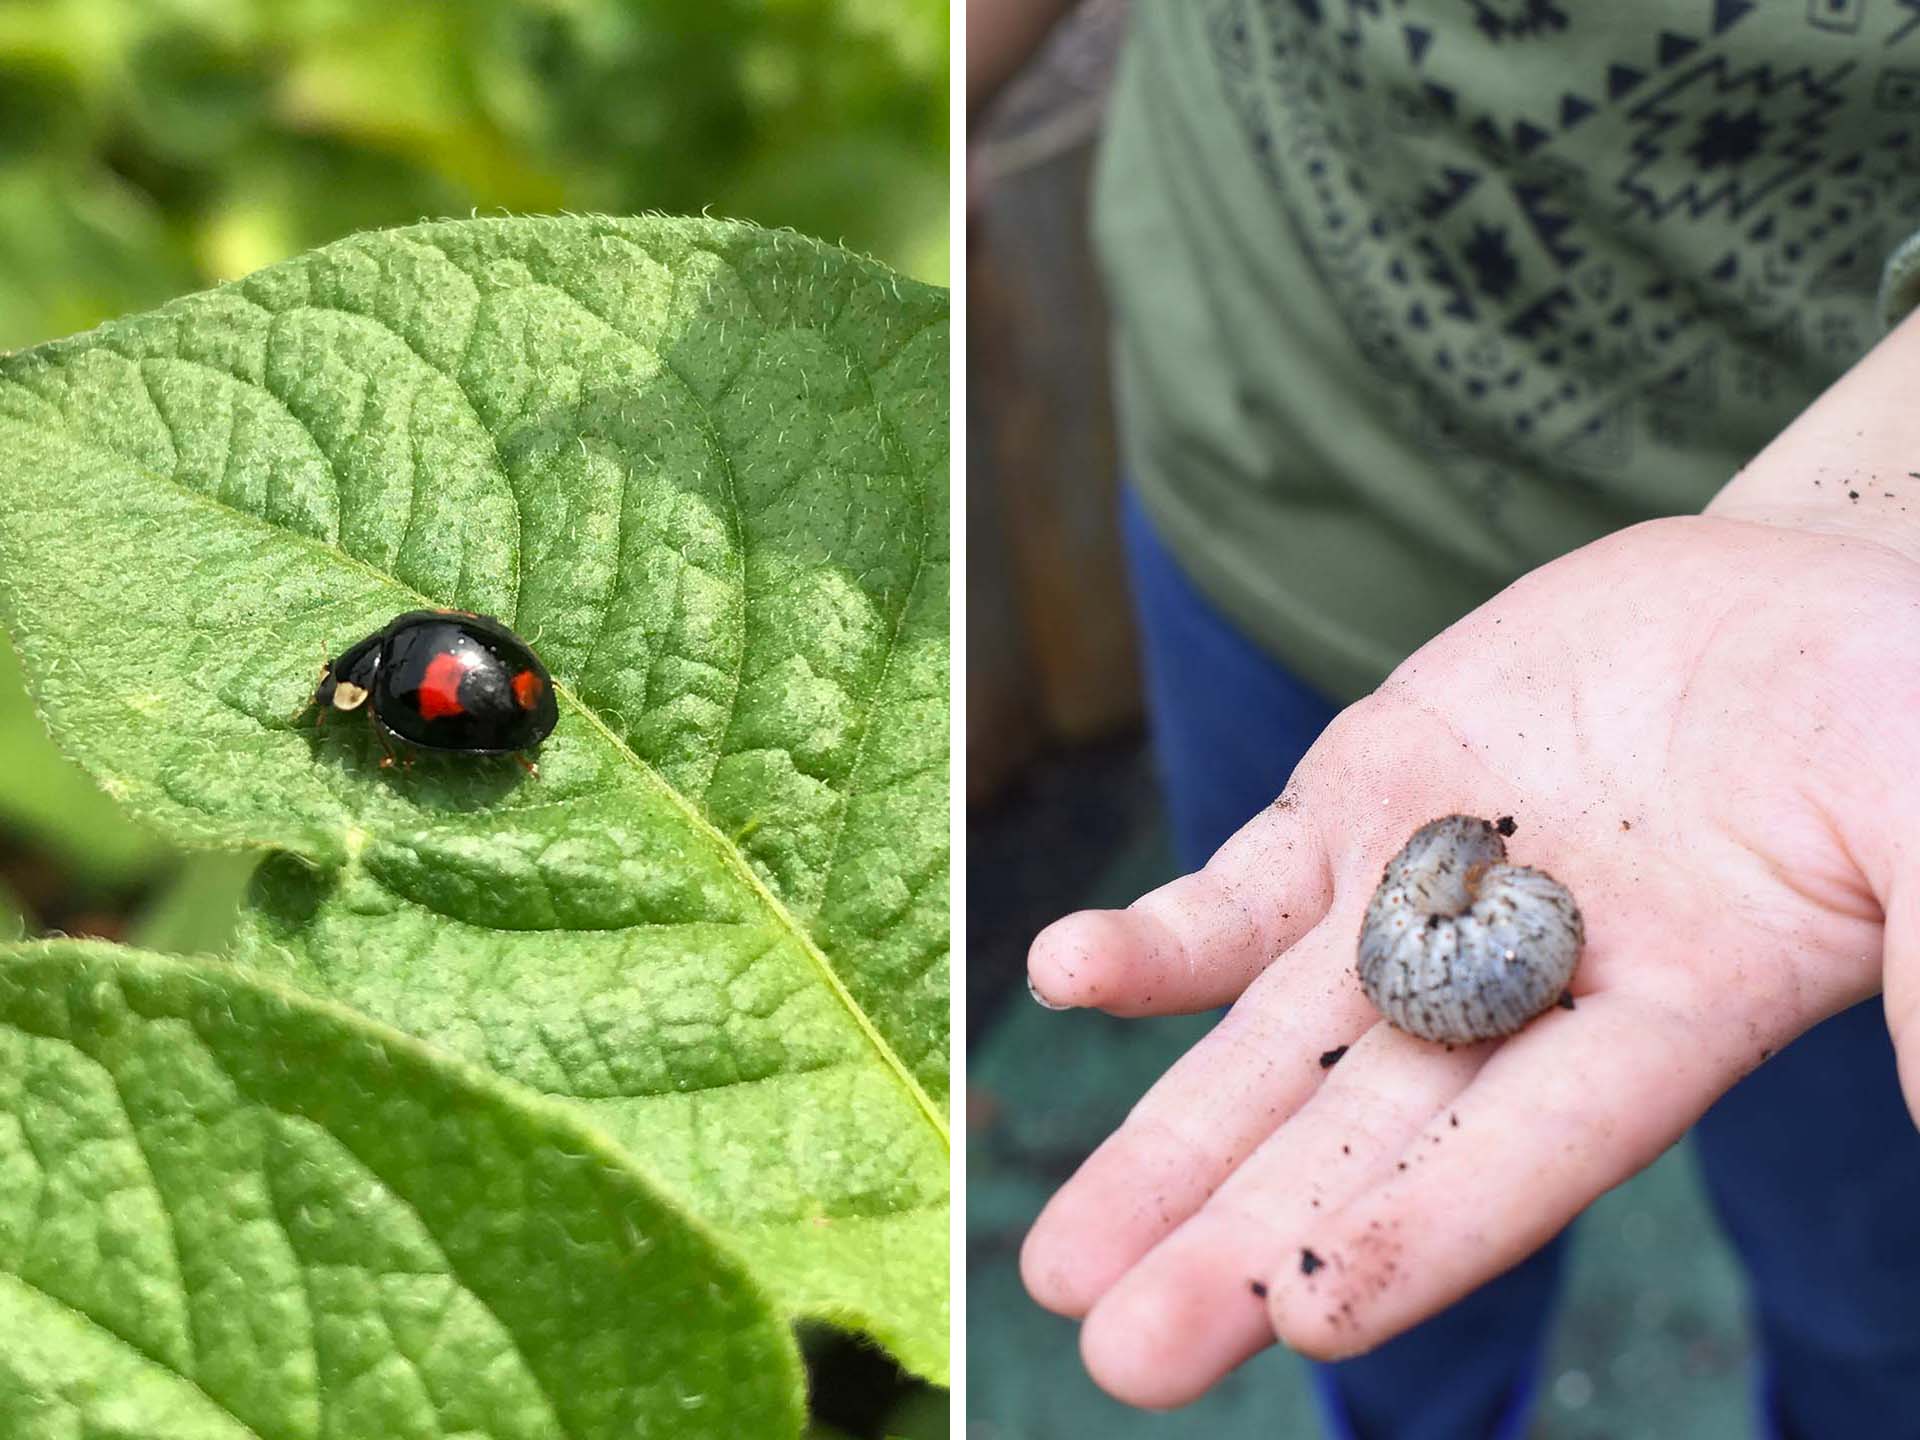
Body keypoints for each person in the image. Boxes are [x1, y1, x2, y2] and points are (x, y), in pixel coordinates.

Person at [971, 2, 1920, 1436]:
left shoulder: (1478, 903)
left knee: (1872, 1291)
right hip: (1269, 438)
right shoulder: (1487, 899)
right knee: (1365, 1264)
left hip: (1812, 687)